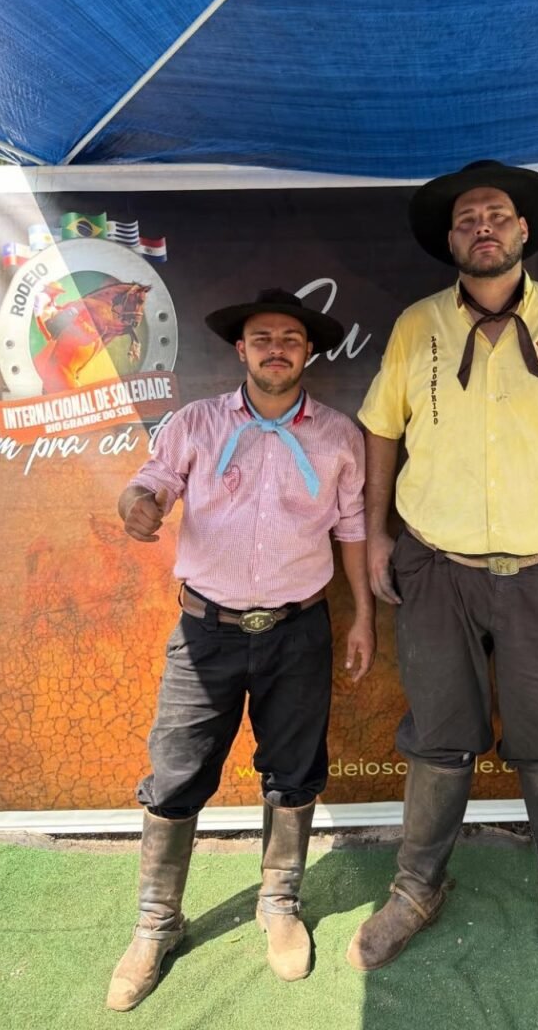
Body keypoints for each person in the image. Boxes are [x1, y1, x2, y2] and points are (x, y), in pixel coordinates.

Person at [346, 161, 538, 1002]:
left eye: (496, 214)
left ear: (523, 232)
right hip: (436, 571)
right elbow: (381, 431)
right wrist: (376, 535)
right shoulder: (417, 326)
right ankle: (416, 888)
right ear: (450, 241)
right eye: (466, 219)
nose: (481, 226)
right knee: (438, 738)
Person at [107, 288, 375, 1011]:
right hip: (206, 632)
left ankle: (279, 904)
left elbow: (352, 529)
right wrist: (138, 505)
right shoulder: (194, 422)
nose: (276, 349)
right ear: (241, 350)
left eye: (290, 338)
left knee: (295, 770)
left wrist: (363, 617)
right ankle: (156, 922)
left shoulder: (339, 436)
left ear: (308, 352)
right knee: (175, 775)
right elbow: (152, 481)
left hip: (299, 631)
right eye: (263, 338)